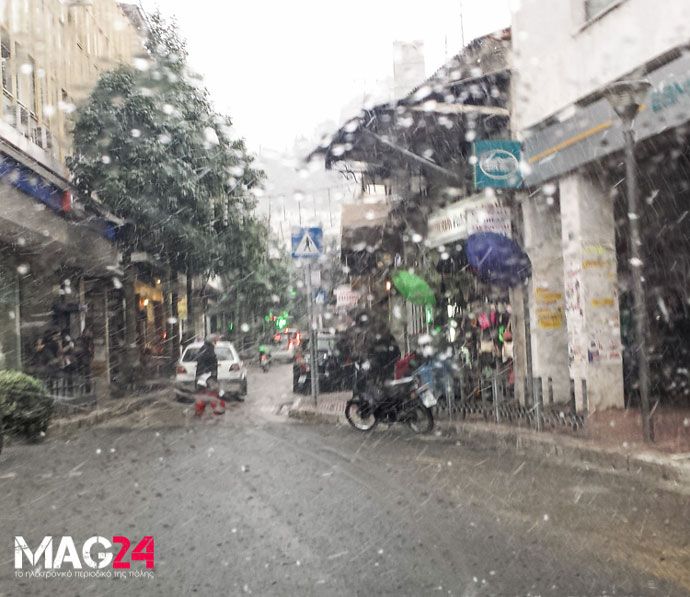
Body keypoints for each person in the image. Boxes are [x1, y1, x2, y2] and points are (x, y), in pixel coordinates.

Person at [75, 328, 95, 393]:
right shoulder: (80, 340)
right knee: (82, 375)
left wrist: (91, 355)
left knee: (87, 375)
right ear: (84, 333)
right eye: (87, 332)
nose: (89, 334)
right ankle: (82, 389)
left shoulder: (90, 340)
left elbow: (92, 350)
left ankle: (87, 389)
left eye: (89, 332)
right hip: (81, 360)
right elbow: (78, 350)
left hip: (87, 360)